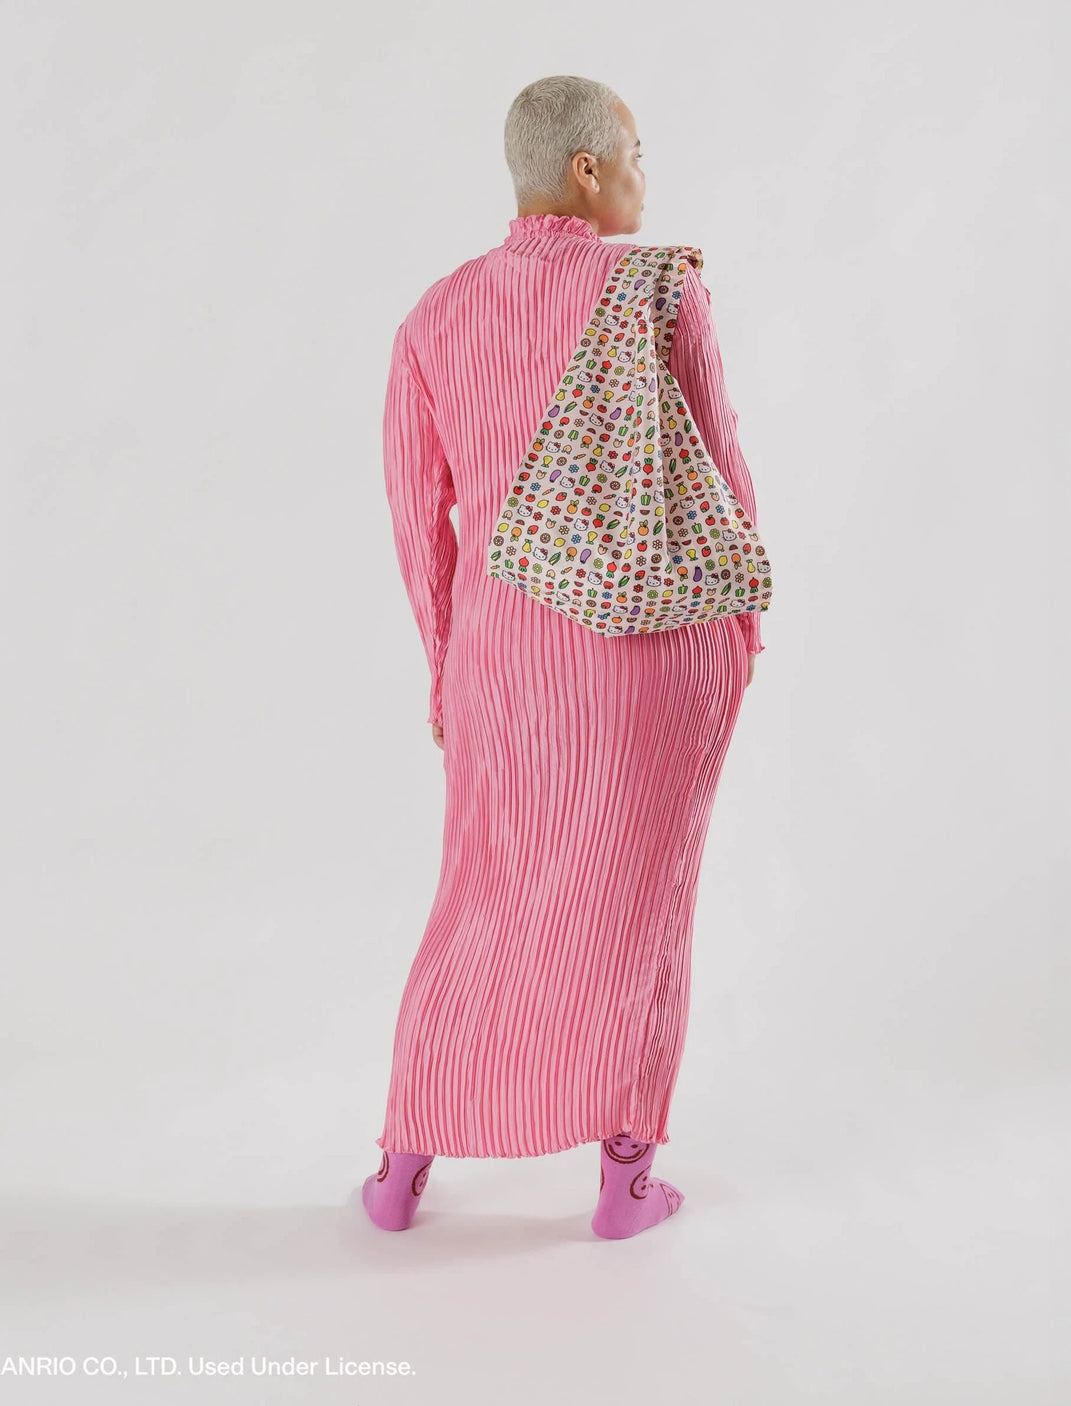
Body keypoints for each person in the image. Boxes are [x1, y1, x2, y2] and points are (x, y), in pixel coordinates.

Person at [363, 75, 767, 1240]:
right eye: (635, 149)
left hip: (504, 664)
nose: (645, 169)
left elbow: (415, 517)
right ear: (585, 170)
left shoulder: (433, 317)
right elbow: (720, 464)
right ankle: (624, 1183)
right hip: (657, 651)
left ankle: (398, 1171)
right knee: (640, 906)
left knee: (481, 895)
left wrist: (445, 667)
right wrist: (740, 622)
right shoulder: (657, 288)